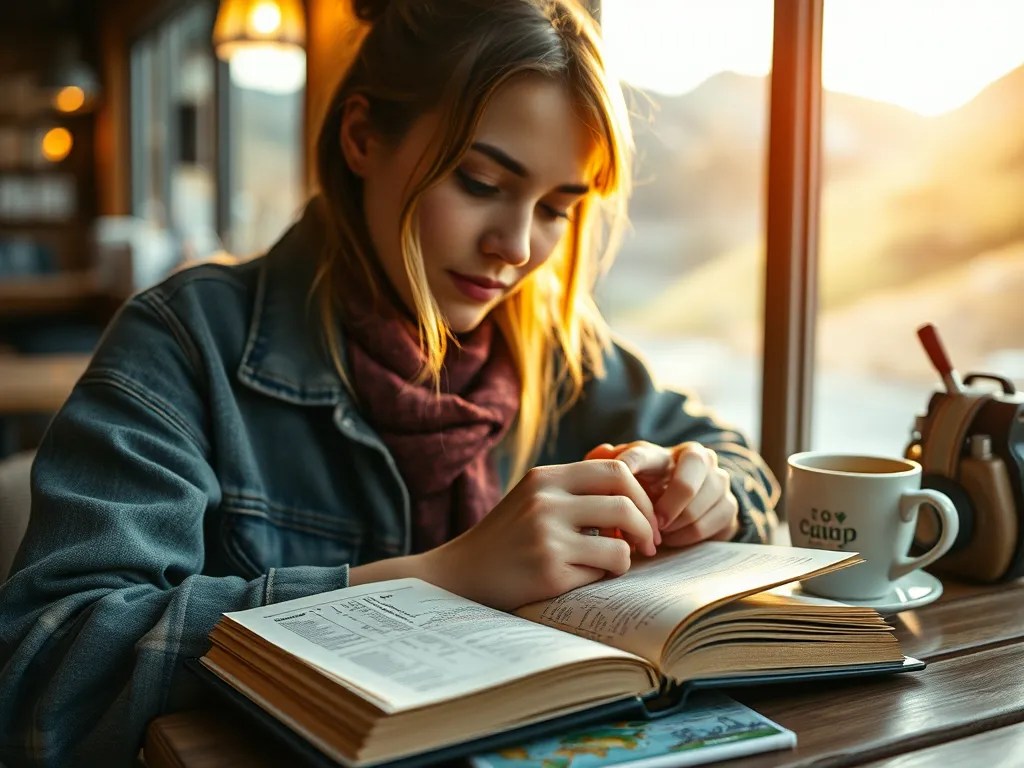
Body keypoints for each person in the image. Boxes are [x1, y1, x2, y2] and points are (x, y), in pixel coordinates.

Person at [0, 0, 778, 764]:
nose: (516, 247)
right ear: (363, 136)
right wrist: (440, 578)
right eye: (479, 182)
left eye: (557, 209)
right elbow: (49, 669)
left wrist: (703, 487)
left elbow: (730, 459)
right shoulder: (185, 343)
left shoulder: (553, 345)